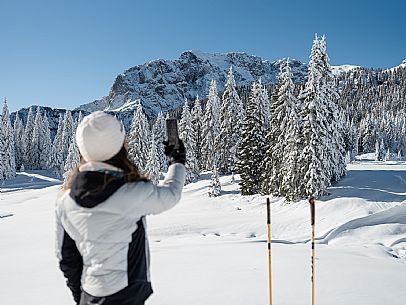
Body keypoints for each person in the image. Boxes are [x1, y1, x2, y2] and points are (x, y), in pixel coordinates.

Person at [55, 111, 186, 305]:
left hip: (90, 296)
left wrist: (82, 297)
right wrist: (177, 162)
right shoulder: (132, 193)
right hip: (126, 295)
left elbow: (67, 257)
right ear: (120, 146)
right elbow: (172, 194)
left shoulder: (65, 201)